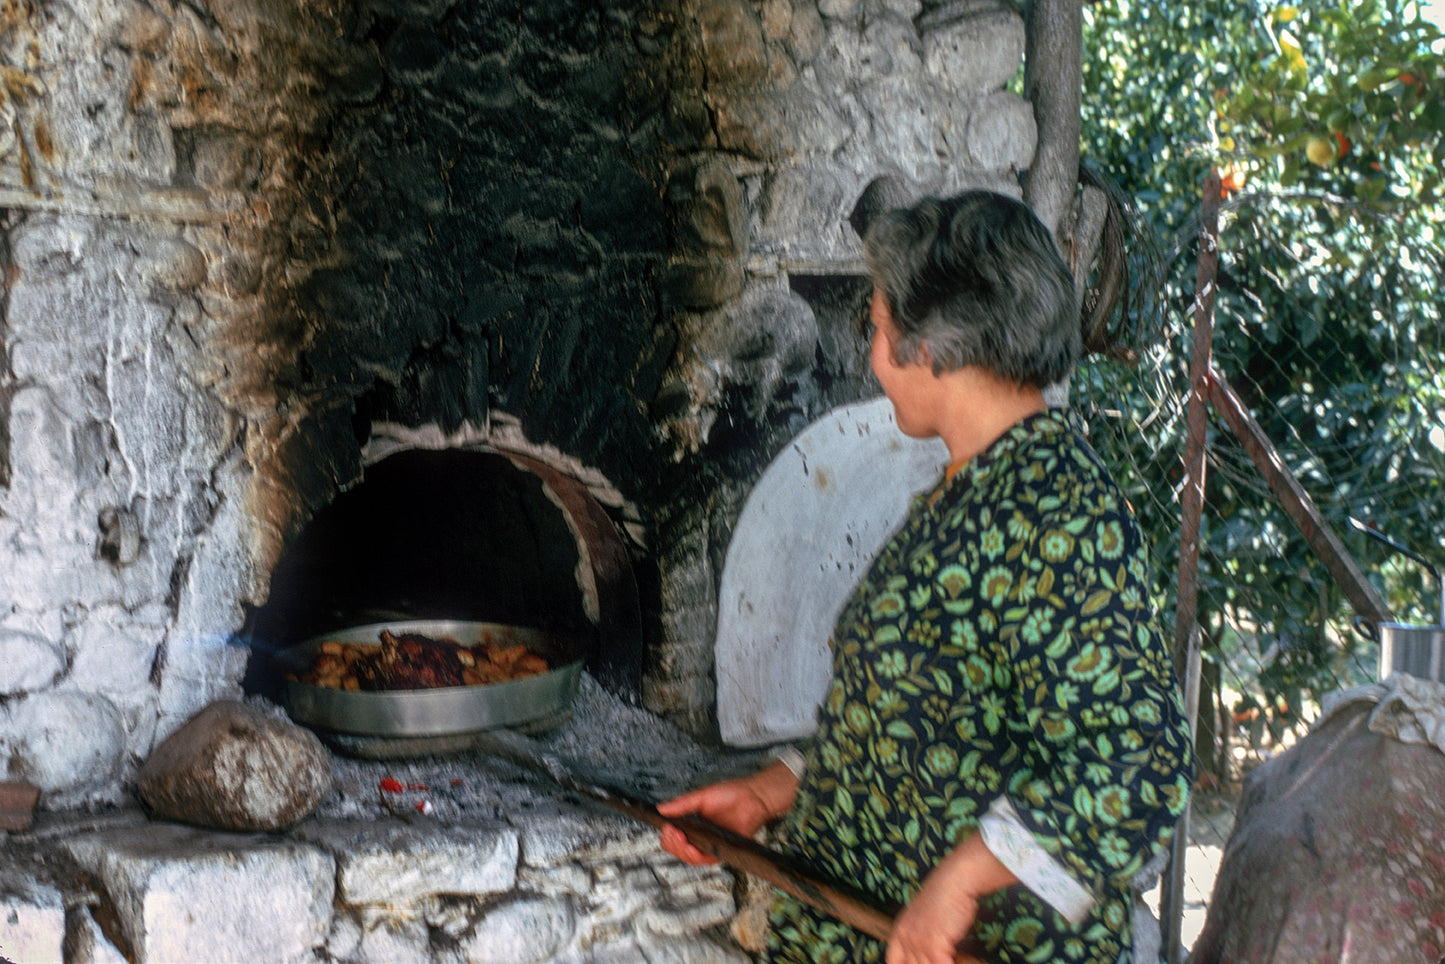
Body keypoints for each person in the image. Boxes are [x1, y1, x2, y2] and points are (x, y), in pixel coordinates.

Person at [658, 191, 1193, 964]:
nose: (874, 356)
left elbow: (1139, 760)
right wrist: (767, 792)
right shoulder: (970, 488)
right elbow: (914, 721)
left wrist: (959, 885)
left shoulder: (1055, 512)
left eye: (877, 327)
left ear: (934, 347)